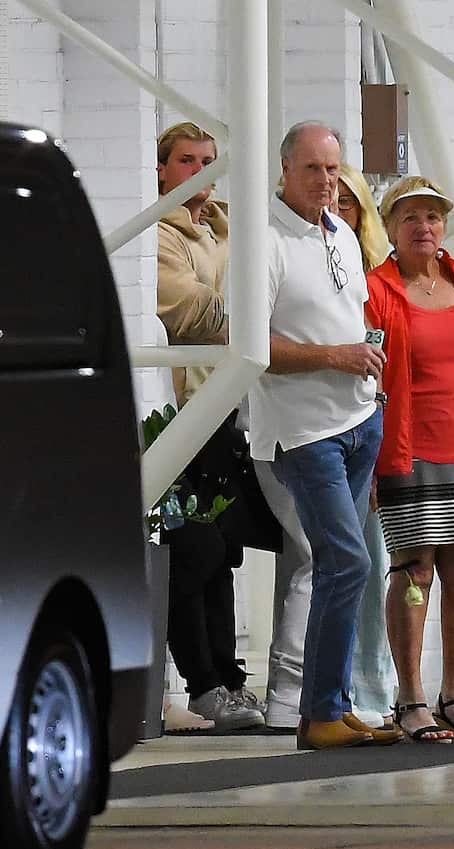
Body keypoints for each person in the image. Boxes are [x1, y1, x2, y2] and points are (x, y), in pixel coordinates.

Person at [250, 121, 401, 749]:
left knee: (345, 565)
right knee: (345, 560)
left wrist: (366, 378)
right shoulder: (263, 242)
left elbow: (348, 317)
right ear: (285, 170)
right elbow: (253, 347)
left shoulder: (340, 232)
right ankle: (317, 711)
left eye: (334, 170)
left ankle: (331, 704)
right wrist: (335, 357)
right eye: (313, 169)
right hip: (304, 431)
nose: (325, 181)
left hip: (360, 420)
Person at [365, 175, 454, 743]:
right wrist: (371, 460)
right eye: (411, 218)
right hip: (407, 447)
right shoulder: (378, 287)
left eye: (433, 217)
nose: (425, 228)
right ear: (391, 229)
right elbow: (370, 378)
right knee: (415, 570)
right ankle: (411, 697)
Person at [155, 121, 264, 731]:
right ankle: (203, 682)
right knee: (193, 551)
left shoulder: (222, 227)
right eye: (186, 161)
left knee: (223, 552)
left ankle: (226, 680)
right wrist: (260, 313)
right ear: (163, 170)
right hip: (181, 415)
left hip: (227, 412)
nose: (199, 172)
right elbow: (191, 310)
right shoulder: (162, 235)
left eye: (208, 162)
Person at [332, 163, 397, 727]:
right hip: (330, 433)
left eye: (350, 203)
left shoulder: (377, 280)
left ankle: (375, 689)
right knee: (346, 565)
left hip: (377, 431)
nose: (338, 209)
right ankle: (338, 690)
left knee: (375, 569)